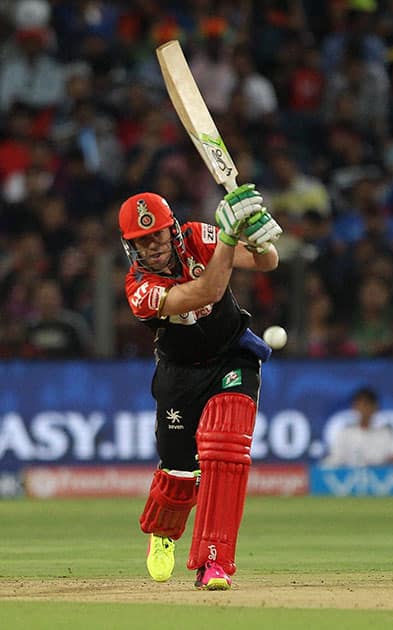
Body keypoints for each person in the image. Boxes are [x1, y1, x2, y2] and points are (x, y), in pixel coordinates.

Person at [118, 184, 281, 590]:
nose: (152, 246)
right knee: (179, 471)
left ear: (171, 229)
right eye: (142, 240)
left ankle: (214, 562)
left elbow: (266, 262)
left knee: (226, 452)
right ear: (130, 247)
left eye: (156, 234)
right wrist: (228, 236)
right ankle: (163, 533)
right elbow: (205, 292)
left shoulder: (196, 235)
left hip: (232, 356)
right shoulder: (139, 288)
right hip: (180, 374)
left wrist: (259, 237)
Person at [323, 387, 393, 467]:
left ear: (375, 407)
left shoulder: (385, 434)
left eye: (367, 404)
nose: (363, 409)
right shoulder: (346, 433)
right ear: (354, 407)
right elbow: (334, 459)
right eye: (360, 404)